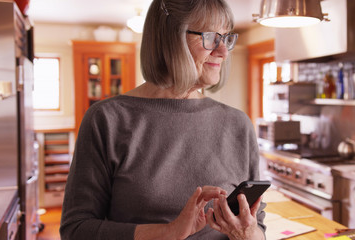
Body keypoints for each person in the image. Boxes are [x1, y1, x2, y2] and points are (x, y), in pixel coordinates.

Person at [60, 0, 267, 239]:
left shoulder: (238, 124)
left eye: (226, 38)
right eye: (210, 37)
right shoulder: (106, 120)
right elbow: (76, 230)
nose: (223, 52)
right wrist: (168, 232)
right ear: (170, 39)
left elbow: (257, 225)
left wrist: (248, 234)